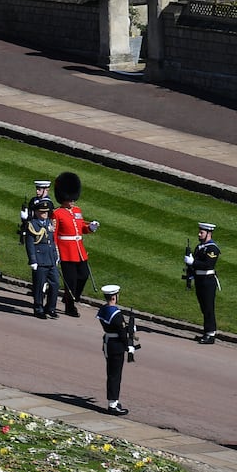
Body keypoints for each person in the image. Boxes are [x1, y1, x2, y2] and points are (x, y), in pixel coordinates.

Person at [52, 171, 98, 316]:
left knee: (83, 275)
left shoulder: (77, 210)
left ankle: (71, 297)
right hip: (66, 251)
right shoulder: (57, 213)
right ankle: (70, 307)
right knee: (70, 281)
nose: (72, 201)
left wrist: (90, 228)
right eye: (69, 198)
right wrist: (55, 251)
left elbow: (81, 228)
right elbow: (54, 234)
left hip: (79, 250)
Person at [97, 284, 136, 415]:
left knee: (111, 373)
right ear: (114, 297)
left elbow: (115, 327)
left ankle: (112, 401)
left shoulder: (103, 309)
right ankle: (112, 404)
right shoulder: (117, 314)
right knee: (115, 375)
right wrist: (128, 346)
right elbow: (121, 332)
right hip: (116, 346)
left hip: (108, 343)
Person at [185, 222, 221, 344]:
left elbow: (208, 265)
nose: (199, 234)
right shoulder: (200, 247)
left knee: (208, 307)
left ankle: (211, 334)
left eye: (202, 232)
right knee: (204, 307)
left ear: (208, 233)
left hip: (208, 281)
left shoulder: (212, 248)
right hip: (200, 280)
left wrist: (193, 262)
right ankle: (206, 332)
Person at [24, 197, 60, 319]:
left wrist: (55, 255)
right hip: (40, 259)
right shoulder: (32, 225)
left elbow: (52, 241)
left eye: (46, 212)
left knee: (55, 284)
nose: (45, 214)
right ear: (37, 212)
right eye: (42, 212)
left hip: (50, 259)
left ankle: (50, 308)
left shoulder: (49, 222)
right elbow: (30, 244)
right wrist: (33, 260)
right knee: (39, 286)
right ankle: (38, 308)